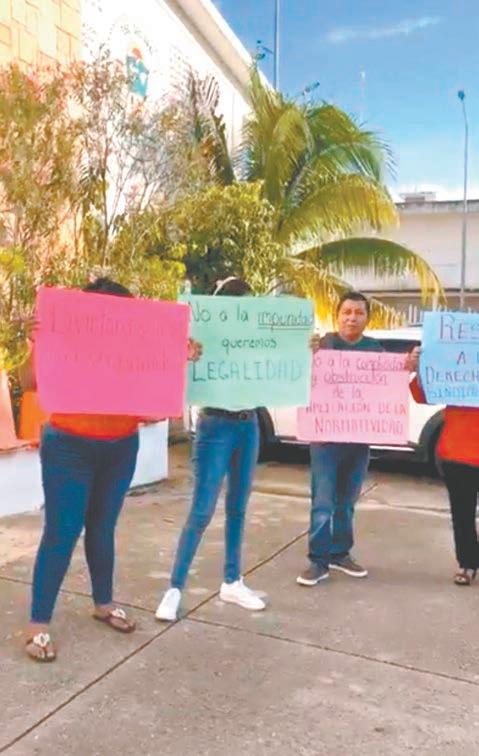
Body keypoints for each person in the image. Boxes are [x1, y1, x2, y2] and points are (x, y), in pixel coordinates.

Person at [23, 277, 201, 662]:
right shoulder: (61, 338)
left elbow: (156, 385)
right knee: (62, 531)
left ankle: (103, 603)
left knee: (103, 528)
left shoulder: (134, 344)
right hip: (68, 445)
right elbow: (29, 382)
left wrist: (179, 356)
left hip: (121, 445)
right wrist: (37, 343)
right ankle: (38, 624)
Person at [156, 277, 266, 622]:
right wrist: (185, 354)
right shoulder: (199, 336)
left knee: (238, 507)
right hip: (215, 424)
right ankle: (174, 588)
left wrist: (300, 348)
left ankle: (232, 581)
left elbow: (281, 362)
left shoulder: (258, 336)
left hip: (249, 424)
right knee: (202, 510)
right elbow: (171, 370)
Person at [297, 290, 384, 587]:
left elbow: (388, 385)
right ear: (337, 316)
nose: (352, 318)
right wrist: (305, 354)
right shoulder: (322, 345)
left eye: (358, 313)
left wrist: (408, 366)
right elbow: (300, 376)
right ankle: (318, 561)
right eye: (347, 312)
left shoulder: (375, 350)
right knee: (322, 501)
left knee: (347, 501)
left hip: (358, 439)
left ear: (367, 318)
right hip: (324, 439)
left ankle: (340, 553)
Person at [409, 346, 479, 586]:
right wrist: (419, 367)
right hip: (459, 451)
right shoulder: (454, 353)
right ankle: (468, 563)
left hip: (459, 449)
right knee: (462, 514)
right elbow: (422, 395)